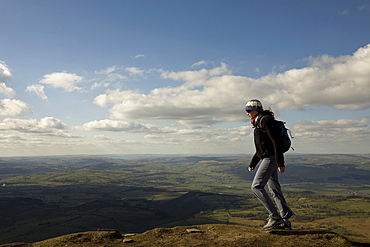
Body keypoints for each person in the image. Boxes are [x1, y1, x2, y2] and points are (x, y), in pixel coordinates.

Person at [245, 99, 294, 231]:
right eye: (246, 111)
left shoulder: (265, 121)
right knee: (274, 189)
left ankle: (275, 217)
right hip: (268, 157)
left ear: (257, 110)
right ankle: (285, 220)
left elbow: (276, 141)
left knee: (256, 186)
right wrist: (253, 163)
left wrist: (280, 162)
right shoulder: (258, 123)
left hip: (271, 158)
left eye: (249, 110)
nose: (247, 113)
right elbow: (261, 148)